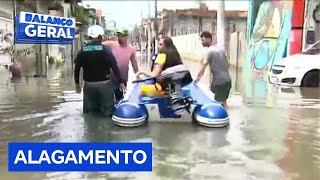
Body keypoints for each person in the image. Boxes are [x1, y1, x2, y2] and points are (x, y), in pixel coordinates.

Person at [74, 25, 125, 117]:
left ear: (89, 37)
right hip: (105, 86)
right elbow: (114, 67)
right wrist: (121, 81)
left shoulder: (83, 51)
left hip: (89, 86)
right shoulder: (105, 50)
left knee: (89, 115)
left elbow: (77, 68)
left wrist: (77, 84)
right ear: (100, 37)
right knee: (108, 113)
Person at [195, 31, 232, 108]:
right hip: (228, 80)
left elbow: (203, 69)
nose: (201, 42)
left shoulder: (209, 51)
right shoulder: (221, 49)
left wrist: (196, 80)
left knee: (218, 106)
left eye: (203, 40)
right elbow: (228, 64)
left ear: (209, 39)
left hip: (219, 82)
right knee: (224, 103)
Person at [102, 28, 139, 102]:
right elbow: (99, 44)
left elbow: (134, 64)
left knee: (120, 99)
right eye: (118, 36)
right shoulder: (111, 44)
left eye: (122, 36)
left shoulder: (131, 49)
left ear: (126, 37)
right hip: (110, 78)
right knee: (109, 99)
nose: (120, 38)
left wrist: (138, 76)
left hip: (122, 79)